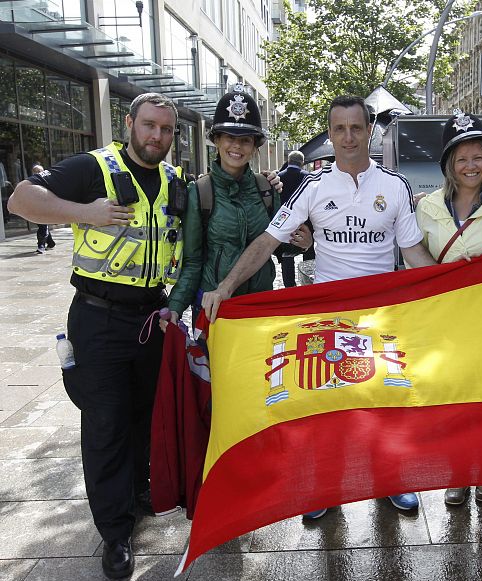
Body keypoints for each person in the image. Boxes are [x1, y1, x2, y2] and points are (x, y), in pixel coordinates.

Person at [201, 94, 437, 518]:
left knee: (385, 398)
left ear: (370, 131)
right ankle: (325, 487)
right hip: (328, 315)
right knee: (328, 402)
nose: (348, 136)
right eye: (339, 128)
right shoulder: (313, 186)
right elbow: (268, 241)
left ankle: (391, 479)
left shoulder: (395, 187)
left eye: (356, 127)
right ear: (330, 134)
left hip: (380, 314)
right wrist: (226, 286)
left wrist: (452, 286)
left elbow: (413, 250)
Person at [8, 93, 182, 580]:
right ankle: (114, 531)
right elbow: (21, 199)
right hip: (98, 318)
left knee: (146, 415)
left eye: (166, 130)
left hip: (151, 316)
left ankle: (141, 489)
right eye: (149, 126)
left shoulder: (173, 179)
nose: (156, 137)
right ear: (129, 123)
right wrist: (84, 212)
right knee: (106, 424)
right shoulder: (93, 167)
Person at [415, 110, 482, 505]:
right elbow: (412, 255)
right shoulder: (426, 208)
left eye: (477, 157)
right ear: (448, 166)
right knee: (452, 398)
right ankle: (457, 472)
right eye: (461, 158)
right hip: (444, 320)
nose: (470, 166)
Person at [165, 85, 310, 326]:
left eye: (245, 140)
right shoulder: (200, 192)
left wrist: (302, 245)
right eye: (230, 138)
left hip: (261, 306)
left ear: (255, 147)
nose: (237, 147)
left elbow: (277, 248)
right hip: (215, 309)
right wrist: (175, 307)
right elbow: (192, 262)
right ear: (216, 140)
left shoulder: (267, 188)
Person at [275, 150, 313, 287]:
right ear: (302, 163)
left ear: (288, 162)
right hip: (306, 225)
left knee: (287, 257)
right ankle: (308, 284)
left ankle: (289, 287)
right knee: (308, 256)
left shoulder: (279, 177)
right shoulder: (308, 177)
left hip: (285, 223)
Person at [30, 163, 56, 253]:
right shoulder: (30, 183)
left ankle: (41, 245)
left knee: (43, 227)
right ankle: (51, 242)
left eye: (39, 171)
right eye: (35, 171)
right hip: (35, 209)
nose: (37, 173)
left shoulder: (47, 182)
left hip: (45, 208)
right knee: (42, 226)